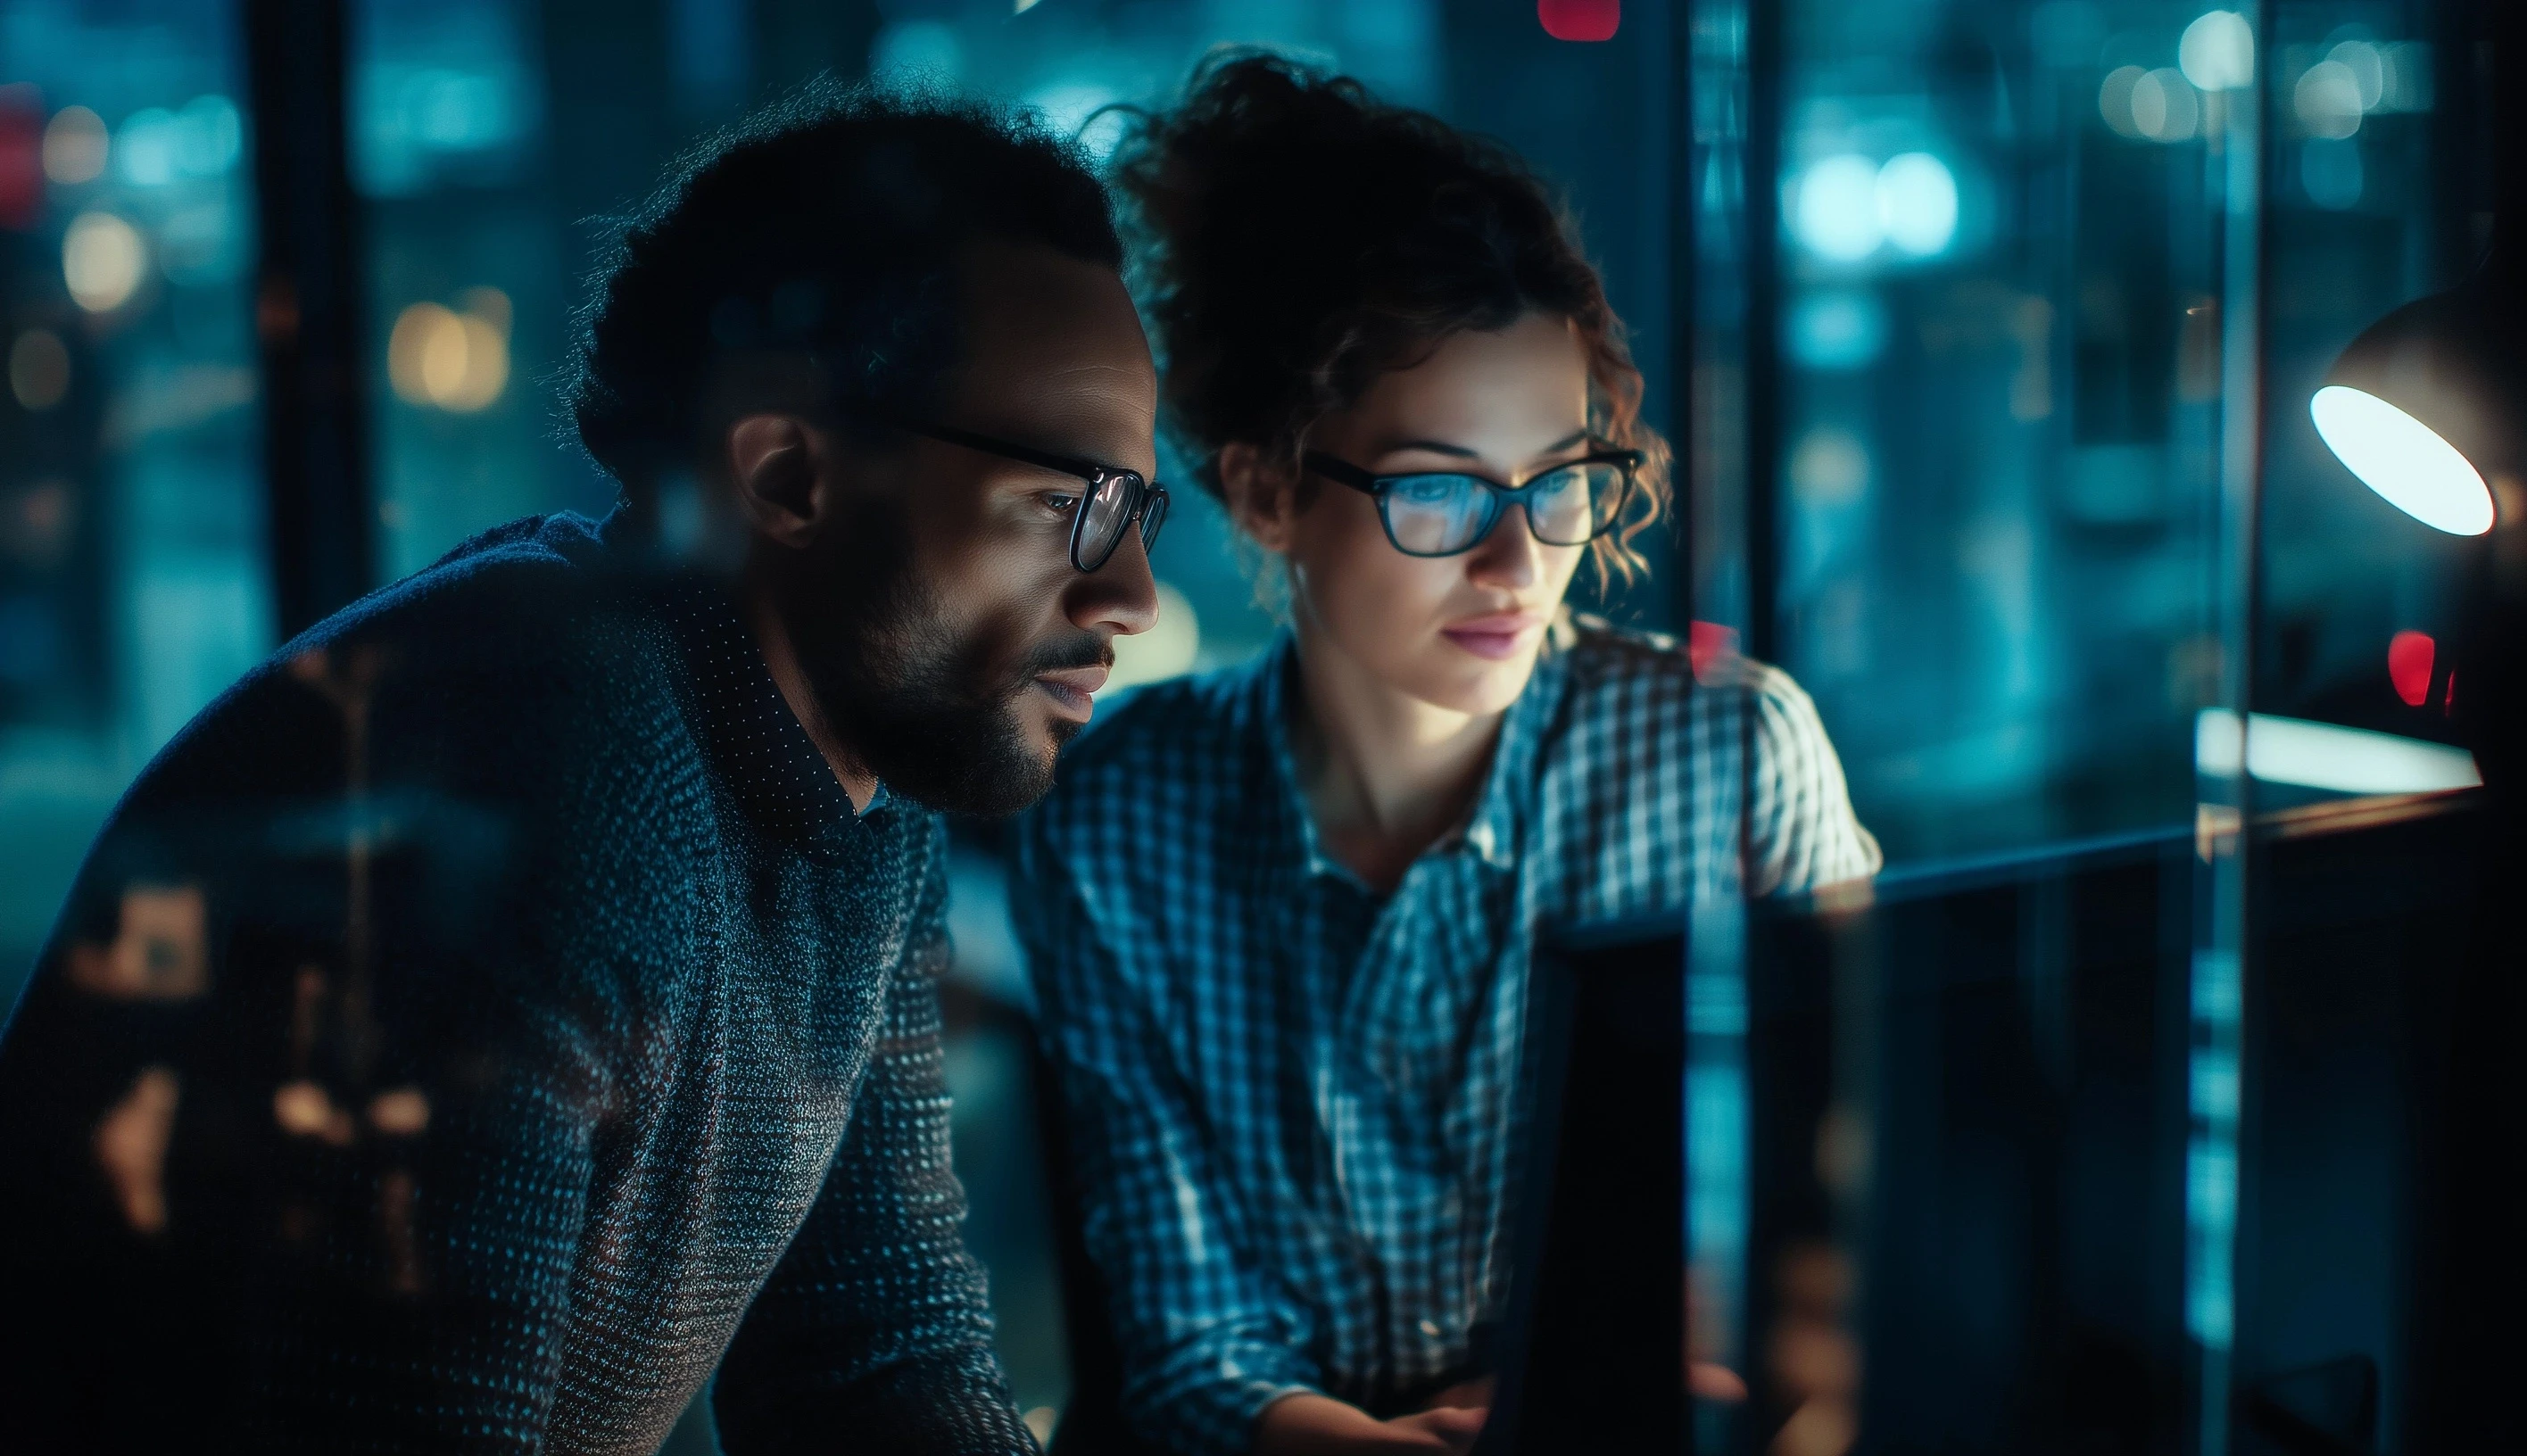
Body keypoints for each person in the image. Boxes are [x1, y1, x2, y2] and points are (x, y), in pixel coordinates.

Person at [0, 84, 1165, 1453]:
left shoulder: (861, 791)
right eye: (1063, 505)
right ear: (790, 477)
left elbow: (875, 1352)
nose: (1133, 593)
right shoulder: (539, 769)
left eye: (1139, 507)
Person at [1013, 53, 1878, 1456]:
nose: (1517, 560)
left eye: (1559, 484)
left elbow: (1857, 1253)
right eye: (1436, 489)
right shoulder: (1121, 816)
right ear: (1268, 490)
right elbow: (1188, 1352)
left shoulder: (1726, 753)